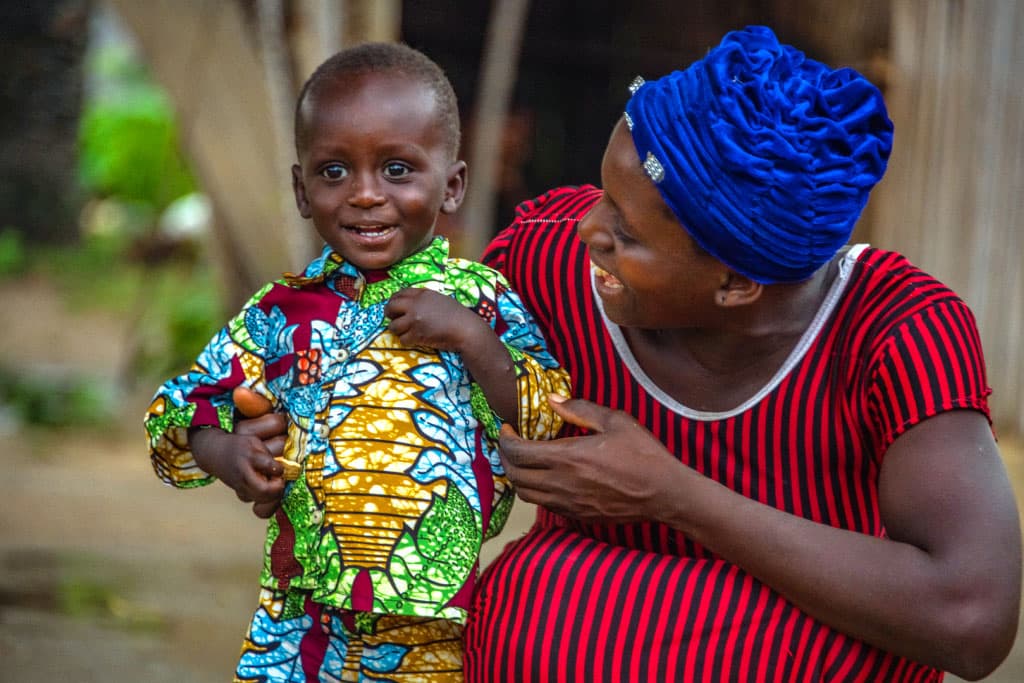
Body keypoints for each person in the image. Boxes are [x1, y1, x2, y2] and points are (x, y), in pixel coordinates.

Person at [235, 26, 1022, 681]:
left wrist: (674, 495)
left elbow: (972, 618)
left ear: (737, 284)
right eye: (604, 192)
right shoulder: (547, 262)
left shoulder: (894, 330)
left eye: (629, 232)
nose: (590, 228)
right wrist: (284, 440)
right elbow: (385, 369)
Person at [143, 42, 569, 682]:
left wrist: (474, 340)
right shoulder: (277, 314)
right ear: (301, 188)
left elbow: (549, 420)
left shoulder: (483, 301)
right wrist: (222, 452)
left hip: (433, 624)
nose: (366, 195)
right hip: (298, 619)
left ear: (451, 186)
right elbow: (181, 405)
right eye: (335, 172)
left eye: (398, 170)